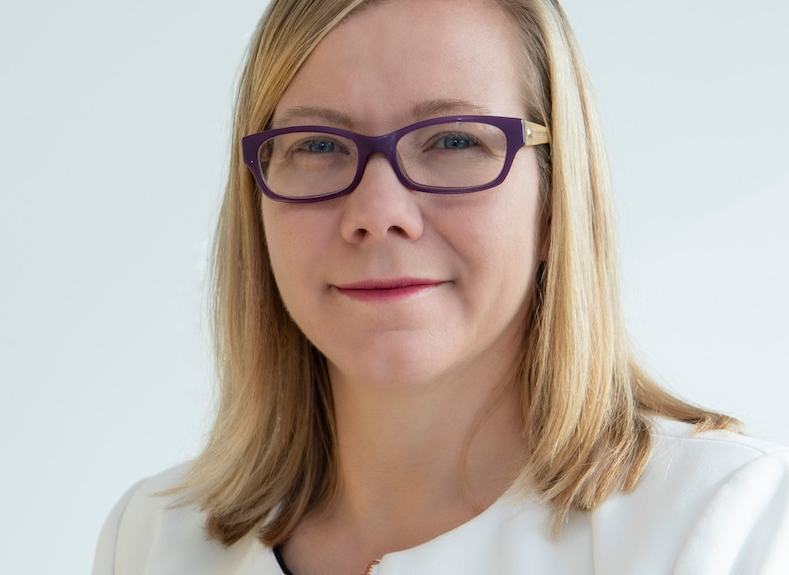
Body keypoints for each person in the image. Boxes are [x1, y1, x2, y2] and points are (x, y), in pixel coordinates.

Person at [92, 0, 789, 573]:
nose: (378, 213)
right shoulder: (153, 539)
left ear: (555, 203)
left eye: (454, 141)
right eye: (318, 146)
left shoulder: (731, 525)